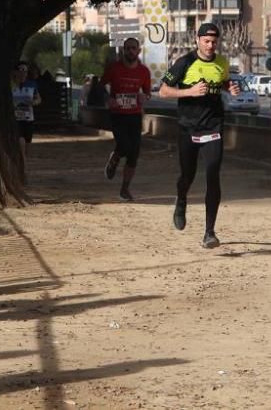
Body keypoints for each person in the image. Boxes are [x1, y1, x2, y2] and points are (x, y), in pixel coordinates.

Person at [159, 23, 241, 249]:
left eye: (214, 41)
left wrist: (229, 88)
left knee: (213, 174)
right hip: (188, 128)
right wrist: (189, 91)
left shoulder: (222, 62)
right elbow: (163, 91)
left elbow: (222, 81)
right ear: (198, 40)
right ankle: (181, 199)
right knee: (188, 175)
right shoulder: (184, 62)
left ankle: (209, 232)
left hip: (213, 127)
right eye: (206, 41)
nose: (210, 45)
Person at [101, 38, 152, 201]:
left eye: (133, 48)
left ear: (139, 51)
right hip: (118, 114)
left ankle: (125, 189)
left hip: (135, 114)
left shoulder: (144, 71)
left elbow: (148, 92)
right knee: (124, 145)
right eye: (127, 48)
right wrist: (108, 99)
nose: (130, 51)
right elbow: (100, 85)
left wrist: (144, 97)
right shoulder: (114, 68)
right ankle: (115, 156)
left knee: (134, 153)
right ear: (123, 50)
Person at [11, 61, 41, 159]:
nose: (23, 74)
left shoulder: (32, 84)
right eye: (21, 71)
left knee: (27, 143)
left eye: (25, 72)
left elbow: (39, 99)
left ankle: (24, 158)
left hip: (29, 118)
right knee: (21, 140)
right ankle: (23, 161)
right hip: (16, 118)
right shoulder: (11, 85)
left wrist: (34, 102)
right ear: (15, 72)